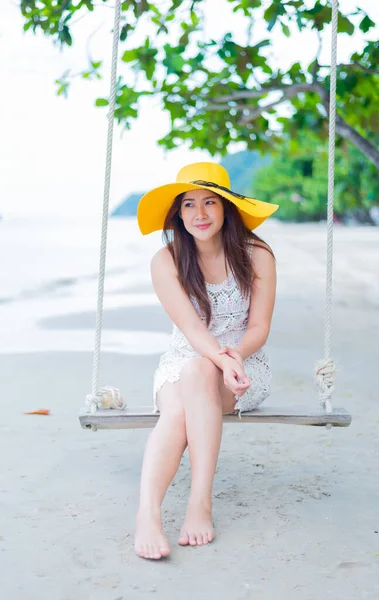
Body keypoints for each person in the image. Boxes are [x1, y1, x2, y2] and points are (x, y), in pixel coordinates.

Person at [134, 162, 279, 560]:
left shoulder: (258, 255)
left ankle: (197, 504)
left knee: (198, 378)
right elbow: (193, 331)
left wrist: (235, 357)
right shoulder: (166, 261)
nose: (199, 214)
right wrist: (218, 357)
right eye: (189, 205)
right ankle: (151, 514)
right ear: (178, 214)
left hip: (245, 364)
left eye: (210, 202)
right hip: (184, 359)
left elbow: (259, 327)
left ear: (227, 209)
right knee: (190, 380)